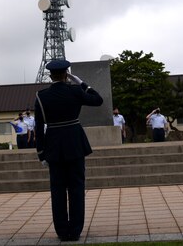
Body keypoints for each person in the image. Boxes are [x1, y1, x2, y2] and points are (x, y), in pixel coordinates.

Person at [34, 59, 103, 242]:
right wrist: (83, 84)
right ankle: (75, 230)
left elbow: (38, 127)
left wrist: (41, 153)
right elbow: (98, 100)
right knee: (76, 188)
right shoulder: (75, 91)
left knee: (57, 190)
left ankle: (62, 231)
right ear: (66, 75)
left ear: (50, 76)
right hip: (75, 144)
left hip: (54, 145)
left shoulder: (41, 96)